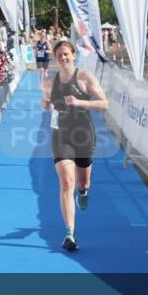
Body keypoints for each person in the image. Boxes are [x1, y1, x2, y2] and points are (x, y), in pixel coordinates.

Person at [40, 40, 109, 252]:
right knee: (66, 182)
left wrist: (81, 103)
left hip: (84, 135)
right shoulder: (49, 82)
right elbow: (47, 104)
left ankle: (84, 191)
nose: (63, 58)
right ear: (55, 57)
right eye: (59, 54)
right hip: (60, 135)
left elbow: (104, 103)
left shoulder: (85, 77)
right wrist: (46, 104)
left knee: (82, 182)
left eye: (66, 54)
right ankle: (70, 232)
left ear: (73, 55)